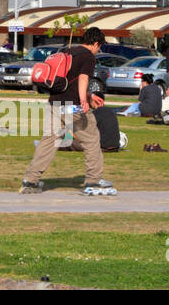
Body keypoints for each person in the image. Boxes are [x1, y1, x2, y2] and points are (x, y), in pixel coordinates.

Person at [20, 26, 113, 194]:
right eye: (100, 47)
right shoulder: (88, 57)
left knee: (48, 142)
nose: (99, 50)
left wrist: (90, 96)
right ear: (96, 43)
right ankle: (93, 180)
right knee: (92, 139)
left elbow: (70, 80)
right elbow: (83, 78)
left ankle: (30, 180)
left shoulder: (68, 51)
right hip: (73, 106)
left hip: (54, 103)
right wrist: (84, 100)